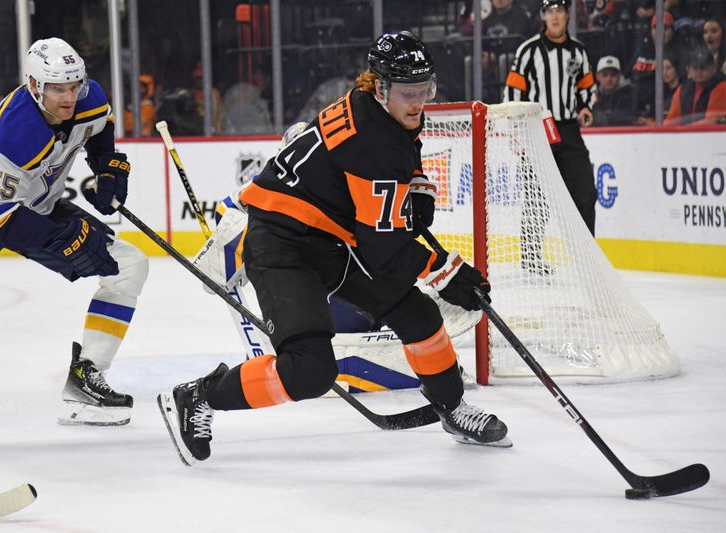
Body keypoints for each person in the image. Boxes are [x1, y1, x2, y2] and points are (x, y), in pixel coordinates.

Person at [158, 31, 510, 464]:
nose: (419, 101)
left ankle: (452, 408)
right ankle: (200, 395)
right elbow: (385, 250)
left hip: (329, 238)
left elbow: (401, 159)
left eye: (425, 90)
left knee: (416, 312)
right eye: (409, 92)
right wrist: (448, 271)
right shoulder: (370, 138)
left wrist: (414, 186)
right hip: (281, 243)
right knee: (309, 371)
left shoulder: (380, 108)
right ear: (380, 86)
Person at [0, 38, 149, 426]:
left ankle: (87, 379)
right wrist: (65, 241)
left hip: (36, 203)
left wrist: (106, 166)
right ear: (34, 86)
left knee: (130, 264)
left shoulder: (87, 98)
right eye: (57, 89)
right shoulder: (14, 131)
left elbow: (99, 128)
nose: (68, 97)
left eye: (74, 86)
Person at [504, 0, 598, 235]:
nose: (555, 17)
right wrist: (516, 131)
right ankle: (532, 259)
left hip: (568, 129)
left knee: (585, 192)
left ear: (568, 15)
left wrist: (586, 107)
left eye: (559, 11)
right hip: (537, 131)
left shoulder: (578, 51)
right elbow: (513, 93)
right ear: (543, 16)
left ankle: (586, 256)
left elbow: (586, 87)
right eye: (549, 12)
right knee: (537, 197)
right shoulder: (528, 50)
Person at [665, 47, 726, 125]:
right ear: (688, 70)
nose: (699, 71)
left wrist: (684, 130)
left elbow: (712, 121)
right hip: (687, 135)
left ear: (713, 68)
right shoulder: (682, 89)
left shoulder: (722, 86)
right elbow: (671, 120)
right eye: (695, 67)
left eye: (703, 67)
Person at [593, 55, 638, 126]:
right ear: (597, 76)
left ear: (619, 76)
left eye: (613, 74)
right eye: (605, 75)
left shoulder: (630, 94)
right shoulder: (590, 96)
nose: (609, 79)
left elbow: (630, 117)